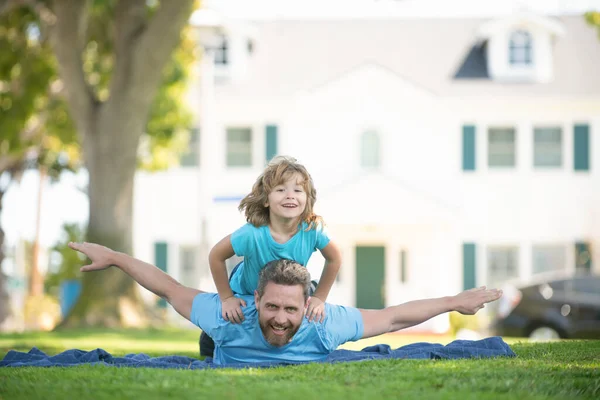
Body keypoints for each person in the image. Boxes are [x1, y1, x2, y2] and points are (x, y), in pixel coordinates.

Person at [68, 241, 503, 365]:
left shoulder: (323, 323)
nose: (279, 318)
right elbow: (168, 288)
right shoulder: (230, 317)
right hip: (222, 342)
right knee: (208, 348)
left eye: (290, 310)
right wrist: (116, 259)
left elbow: (392, 318)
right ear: (254, 298)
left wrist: (452, 301)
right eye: (272, 307)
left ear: (307, 304)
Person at [202, 156, 341, 355]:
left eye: (297, 190)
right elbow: (216, 255)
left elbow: (335, 257)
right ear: (266, 199)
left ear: (307, 199)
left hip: (288, 287)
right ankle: (207, 341)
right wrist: (226, 298)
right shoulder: (252, 233)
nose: (290, 195)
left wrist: (320, 298)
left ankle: (311, 290)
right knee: (227, 319)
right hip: (245, 288)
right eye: (281, 190)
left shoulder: (312, 230)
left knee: (301, 297)